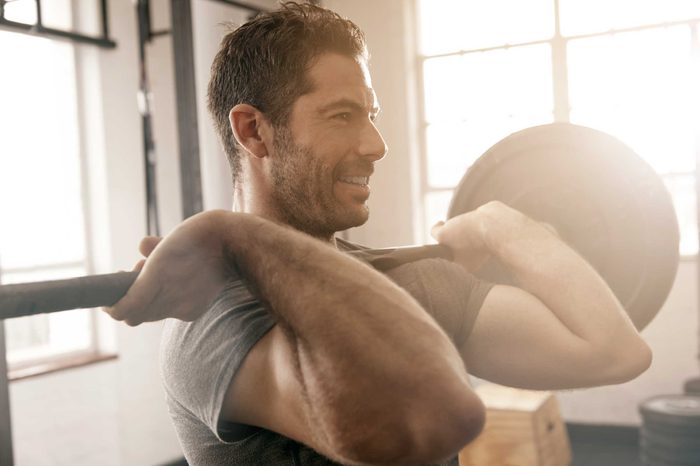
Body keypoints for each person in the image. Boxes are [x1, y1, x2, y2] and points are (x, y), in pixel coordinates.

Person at [106, 3, 652, 465]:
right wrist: (233, 234)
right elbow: (426, 420)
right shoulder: (214, 322)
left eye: (371, 114)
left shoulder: (410, 281)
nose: (375, 145)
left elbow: (615, 352)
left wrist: (504, 225)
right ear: (254, 130)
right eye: (342, 116)